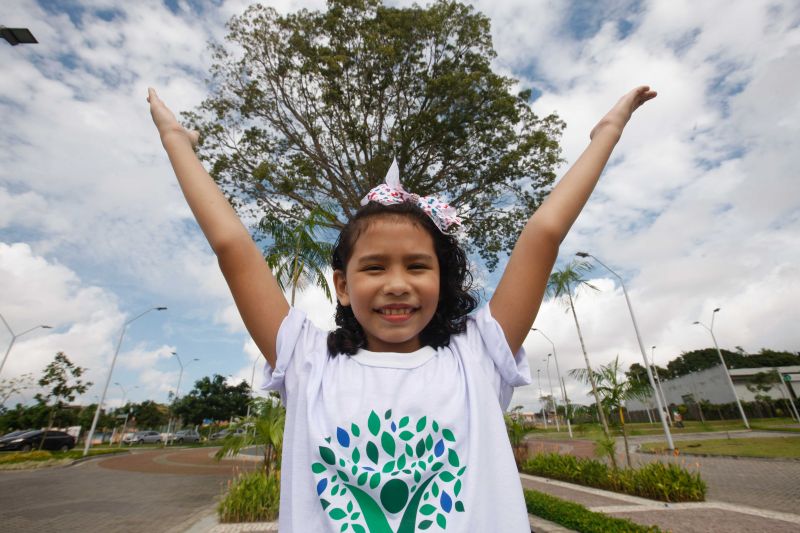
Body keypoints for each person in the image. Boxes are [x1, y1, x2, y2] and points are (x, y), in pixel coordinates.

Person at [148, 85, 656, 532]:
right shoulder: (308, 360)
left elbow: (544, 233)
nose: (397, 284)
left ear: (443, 280)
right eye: (374, 268)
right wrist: (177, 141)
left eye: (417, 266)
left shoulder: (476, 355)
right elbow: (232, 247)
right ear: (342, 286)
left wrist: (607, 132)